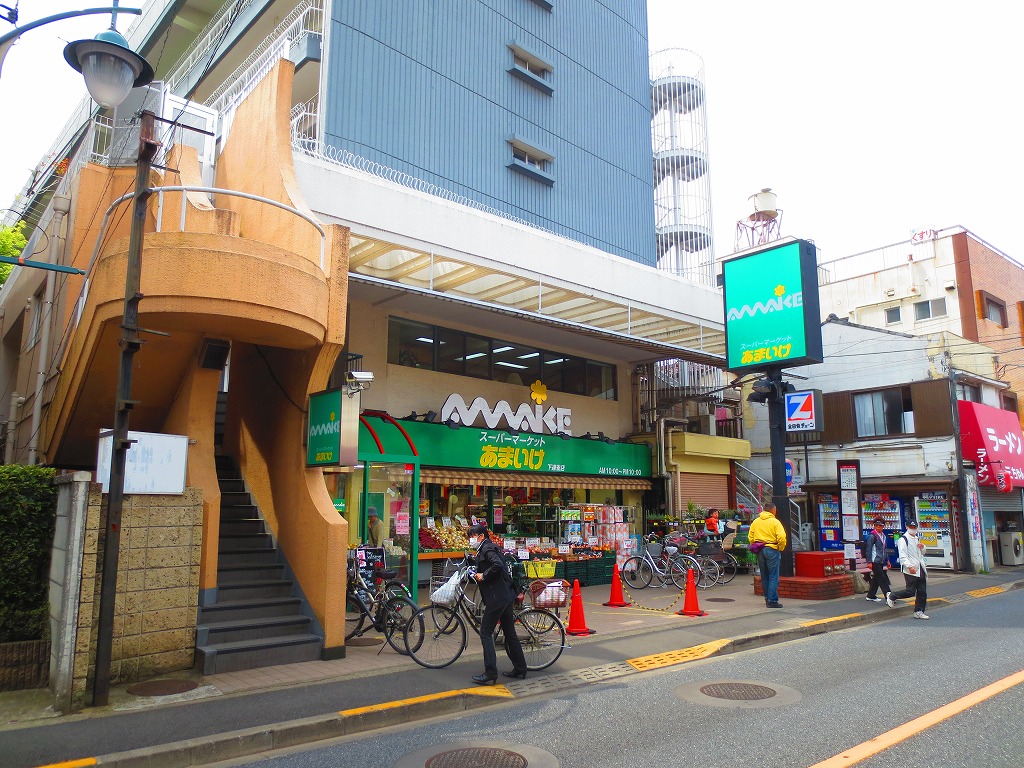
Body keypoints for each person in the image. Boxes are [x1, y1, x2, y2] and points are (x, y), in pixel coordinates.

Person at [466, 523, 528, 685]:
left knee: (485, 632)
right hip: (505, 595)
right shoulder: (486, 548)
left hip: (497, 597)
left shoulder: (486, 548)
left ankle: (490, 672)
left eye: (472, 536)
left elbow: (497, 565)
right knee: (509, 633)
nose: (470, 540)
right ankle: (520, 668)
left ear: (481, 536)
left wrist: (484, 575)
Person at [887, 519, 928, 619]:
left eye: (914, 528)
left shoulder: (917, 538)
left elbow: (921, 553)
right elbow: (902, 556)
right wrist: (909, 566)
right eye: (911, 527)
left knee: (922, 591)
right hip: (910, 569)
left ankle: (919, 611)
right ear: (907, 527)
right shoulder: (903, 539)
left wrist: (923, 547)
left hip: (920, 568)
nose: (913, 529)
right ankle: (892, 596)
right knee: (910, 591)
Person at [749, 502, 787, 608]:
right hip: (772, 548)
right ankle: (772, 600)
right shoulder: (775, 522)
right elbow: (781, 537)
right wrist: (780, 547)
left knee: (764, 576)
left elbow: (750, 536)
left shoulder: (756, 521)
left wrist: (755, 544)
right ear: (773, 510)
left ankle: (767, 598)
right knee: (773, 576)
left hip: (760, 549)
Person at [864, 517, 893, 604]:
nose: (878, 527)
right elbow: (868, 549)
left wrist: (887, 560)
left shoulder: (883, 536)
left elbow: (884, 549)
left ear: (883, 526)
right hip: (874, 561)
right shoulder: (872, 536)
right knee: (882, 579)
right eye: (876, 525)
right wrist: (869, 562)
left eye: (880, 526)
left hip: (881, 560)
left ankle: (870, 595)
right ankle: (890, 597)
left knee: (876, 579)